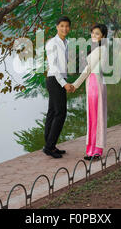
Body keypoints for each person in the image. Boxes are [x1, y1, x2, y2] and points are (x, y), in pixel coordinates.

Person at [72, 24, 108, 161]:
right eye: (92, 33)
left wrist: (75, 85)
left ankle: (97, 150)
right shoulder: (97, 49)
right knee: (92, 118)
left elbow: (87, 69)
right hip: (92, 84)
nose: (93, 36)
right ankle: (91, 149)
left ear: (103, 36)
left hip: (96, 84)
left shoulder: (101, 49)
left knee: (97, 117)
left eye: (97, 34)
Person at [43, 16, 75, 158]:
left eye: (67, 26)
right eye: (62, 26)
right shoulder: (52, 43)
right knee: (60, 113)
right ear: (57, 27)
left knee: (52, 112)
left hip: (60, 79)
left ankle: (50, 145)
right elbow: (54, 66)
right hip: (55, 80)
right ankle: (49, 146)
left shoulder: (66, 42)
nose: (64, 28)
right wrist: (64, 83)